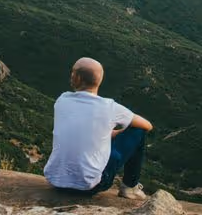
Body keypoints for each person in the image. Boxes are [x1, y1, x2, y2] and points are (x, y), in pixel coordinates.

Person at [44, 57, 154, 200]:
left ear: (76, 78)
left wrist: (108, 132)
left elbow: (81, 127)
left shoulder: (62, 100)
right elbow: (147, 125)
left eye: (73, 72)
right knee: (138, 131)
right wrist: (119, 132)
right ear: (99, 80)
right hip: (90, 186)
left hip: (56, 181)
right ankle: (130, 187)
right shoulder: (109, 107)